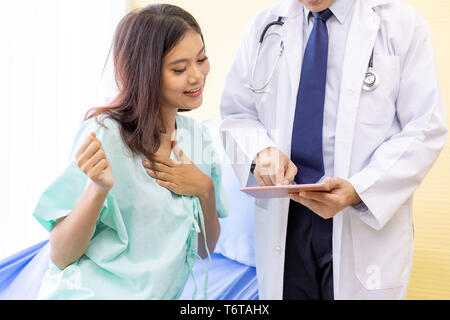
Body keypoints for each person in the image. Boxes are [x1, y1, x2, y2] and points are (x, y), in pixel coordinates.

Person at [220, 0, 447, 300]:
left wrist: (359, 189)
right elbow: (237, 114)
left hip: (360, 214)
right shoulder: (266, 26)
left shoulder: (400, 25)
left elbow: (426, 126)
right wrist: (261, 151)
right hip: (287, 218)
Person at [33, 4, 228, 300]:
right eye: (179, 68)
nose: (197, 76)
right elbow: (60, 255)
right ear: (145, 73)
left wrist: (204, 188)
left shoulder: (198, 137)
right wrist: (97, 189)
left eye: (202, 59)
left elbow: (204, 250)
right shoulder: (104, 134)